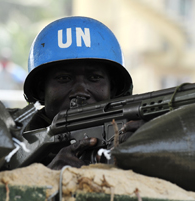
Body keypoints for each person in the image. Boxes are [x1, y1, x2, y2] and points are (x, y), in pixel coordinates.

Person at [11, 16, 142, 170]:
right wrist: (48, 178)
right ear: (41, 89)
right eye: (64, 78)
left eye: (94, 78)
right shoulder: (11, 140)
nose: (80, 91)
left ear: (112, 88)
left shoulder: (132, 130)